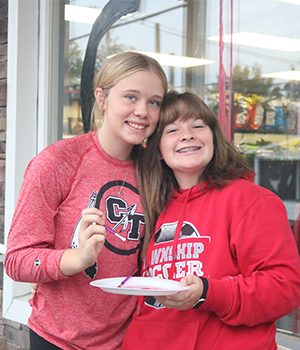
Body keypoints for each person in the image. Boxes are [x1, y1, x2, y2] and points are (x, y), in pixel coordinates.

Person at [4, 51, 168, 350]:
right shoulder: (59, 161)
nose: (143, 111)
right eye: (130, 97)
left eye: (154, 101)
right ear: (101, 98)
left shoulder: (156, 170)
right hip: (58, 339)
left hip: (128, 339)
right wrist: (75, 259)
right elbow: (17, 260)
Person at [122, 91, 300, 350]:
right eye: (172, 130)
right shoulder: (154, 206)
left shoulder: (251, 200)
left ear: (214, 138)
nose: (187, 135)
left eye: (197, 126)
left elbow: (285, 289)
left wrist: (208, 293)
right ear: (159, 151)